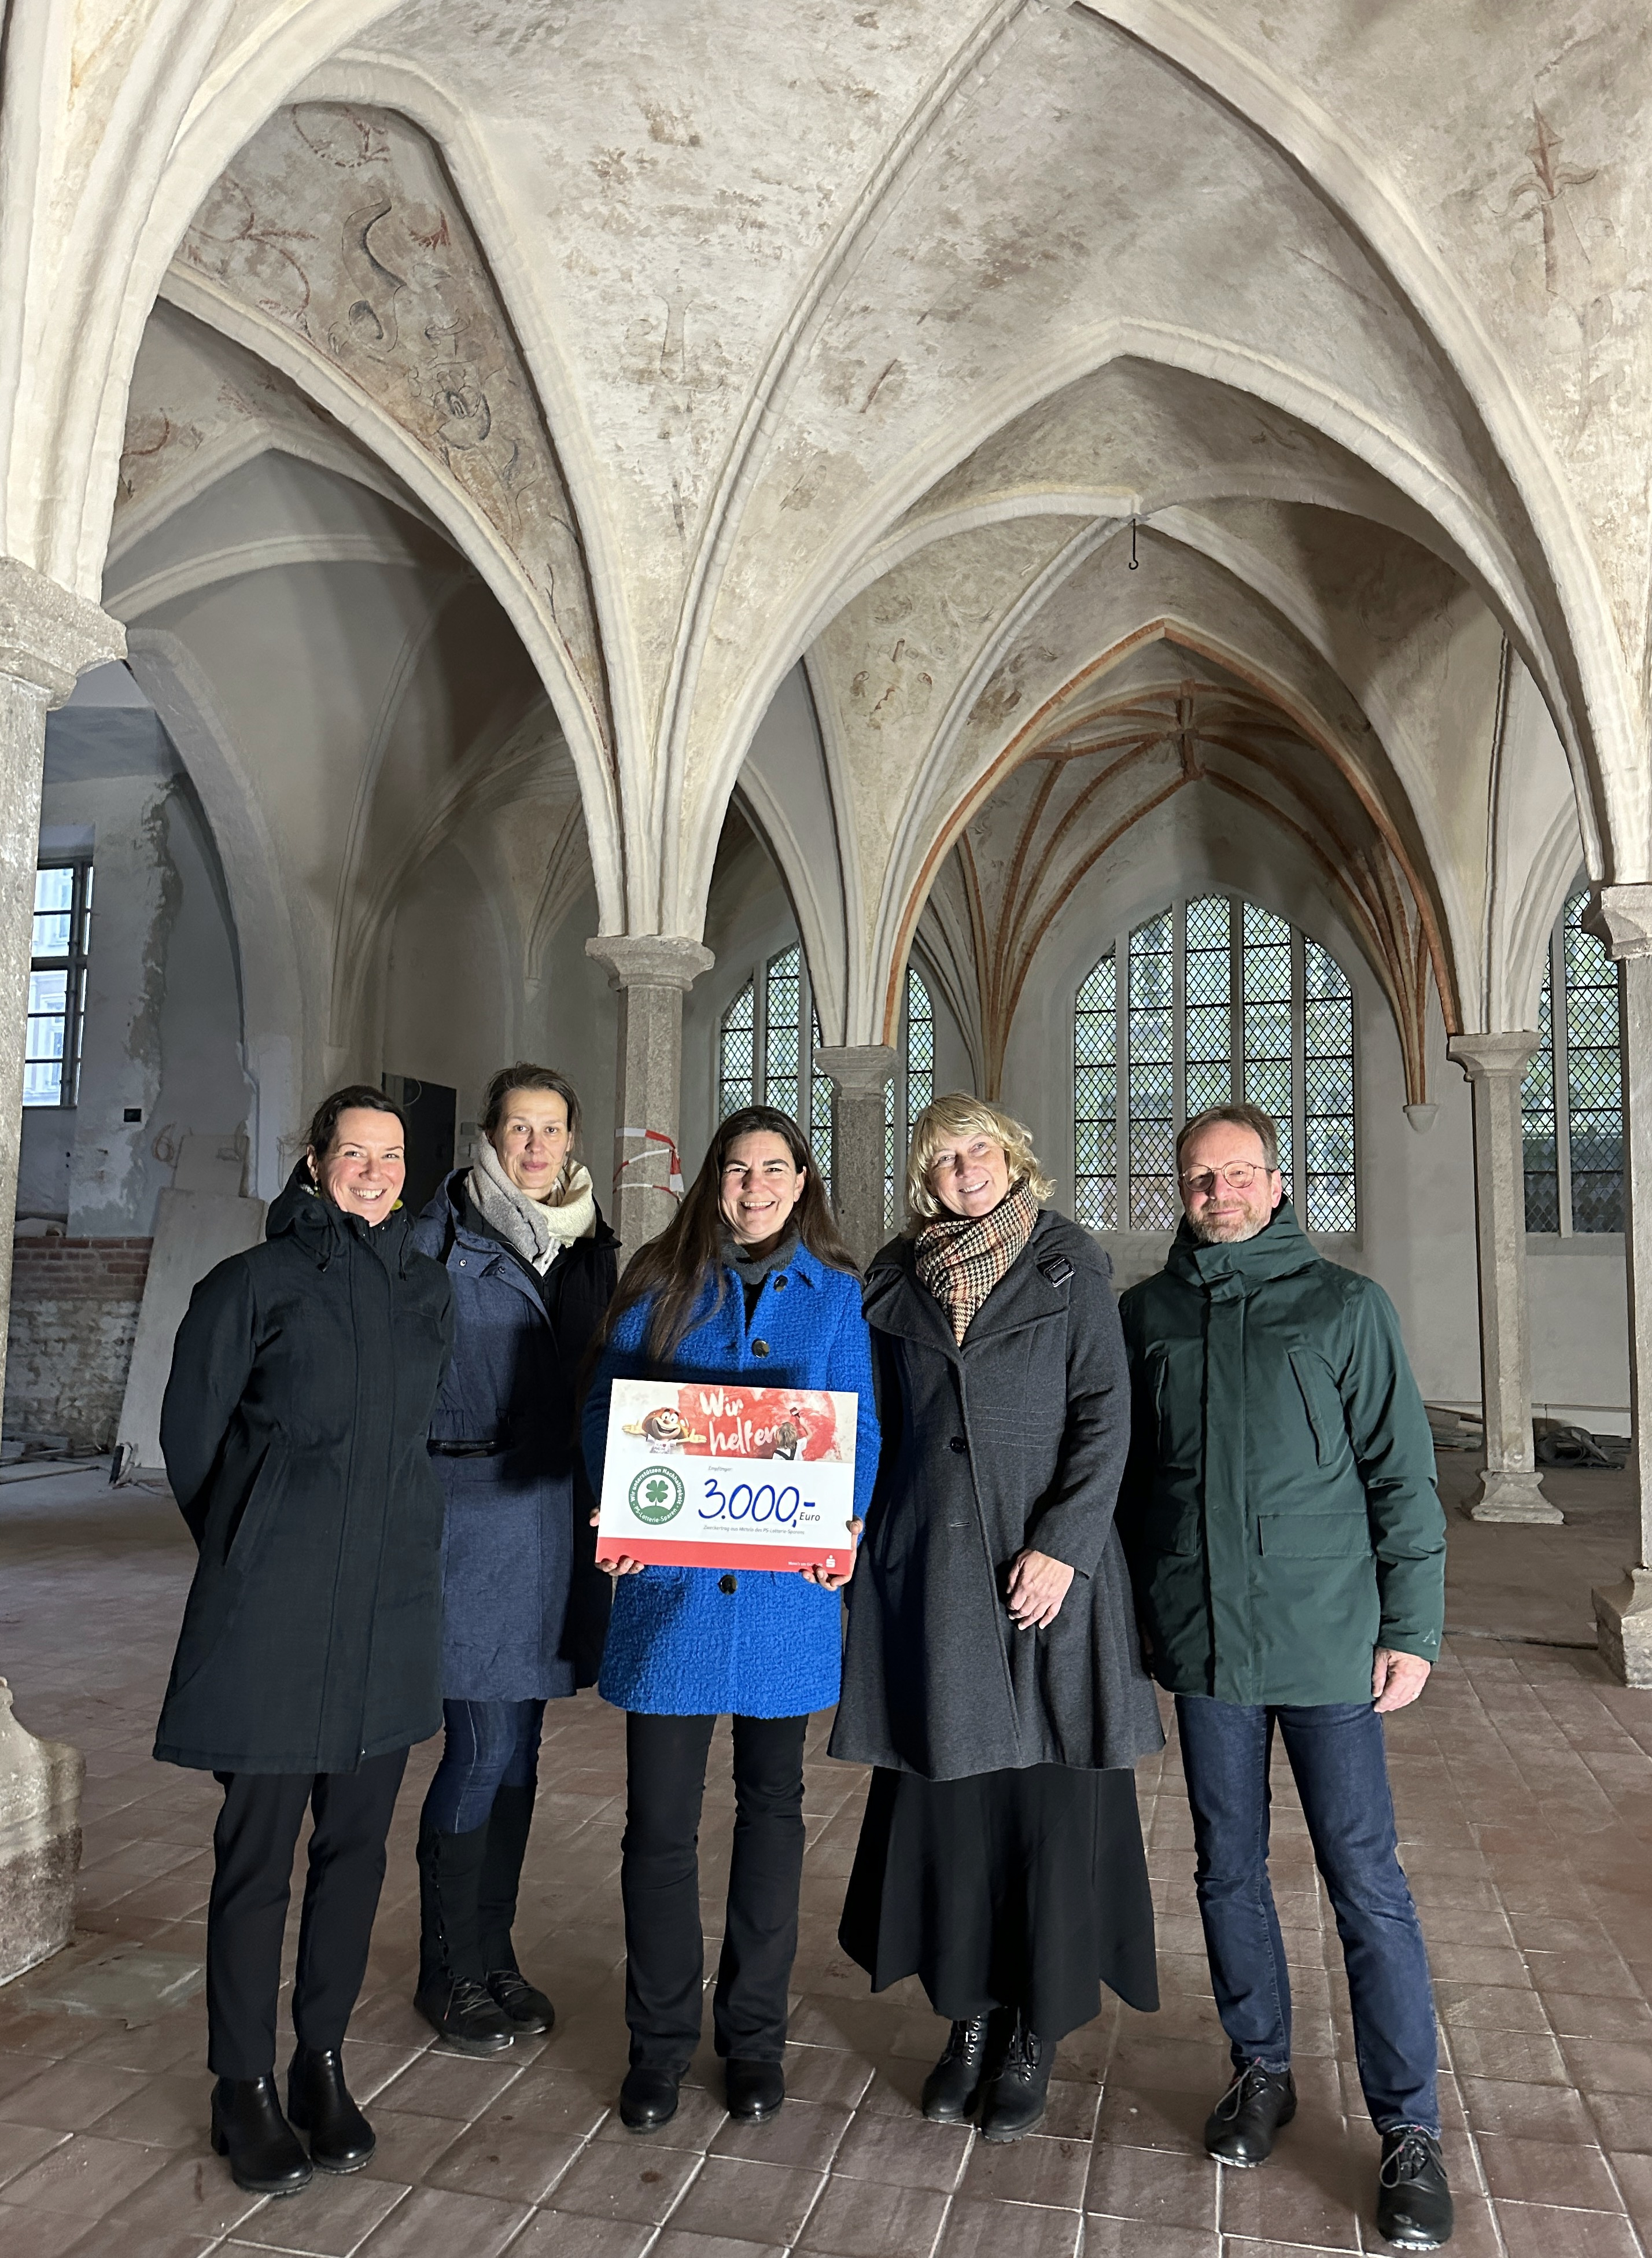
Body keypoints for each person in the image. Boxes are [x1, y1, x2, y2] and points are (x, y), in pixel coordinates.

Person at [1116, 1102, 1452, 2252]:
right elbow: (1132, 1484)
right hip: (1205, 1640)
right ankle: (1261, 2067)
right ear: (1182, 1191)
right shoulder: (1148, 1313)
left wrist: (1413, 1622)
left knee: (1365, 1876)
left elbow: (1401, 1474)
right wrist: (1140, 1612)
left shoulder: (1348, 1306)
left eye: (1239, 1175)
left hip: (1324, 1640)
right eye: (1200, 1180)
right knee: (1225, 1867)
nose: (1220, 1195)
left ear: (1277, 1180)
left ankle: (1410, 2127)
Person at [832, 1094, 1164, 2142]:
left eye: (979, 1151)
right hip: (929, 1574)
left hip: (1048, 1579)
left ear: (1014, 1158)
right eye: (942, 1159)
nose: (962, 1170)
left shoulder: (1072, 1263)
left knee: (1047, 1807)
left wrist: (1063, 1545)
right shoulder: (893, 1274)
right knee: (949, 1808)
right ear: (924, 1177)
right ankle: (965, 2015)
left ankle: (1034, 2028)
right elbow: (865, 1415)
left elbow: (1106, 1415)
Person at [154, 1086, 453, 2198]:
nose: (374, 1171)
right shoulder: (252, 1285)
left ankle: (320, 2061)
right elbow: (192, 1443)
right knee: (257, 1857)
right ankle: (243, 2083)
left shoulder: (426, 1291)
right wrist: (256, 1533)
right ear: (316, 1161)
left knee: (355, 1853)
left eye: (391, 1156)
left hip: (388, 1610)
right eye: (354, 1152)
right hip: (276, 1610)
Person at [581, 1105, 878, 2135]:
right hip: (669, 1595)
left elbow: (860, 1421)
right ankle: (658, 2044)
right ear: (713, 1182)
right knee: (659, 1831)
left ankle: (752, 2039)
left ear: (803, 1183)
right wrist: (612, 1499)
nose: (755, 1186)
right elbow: (603, 1410)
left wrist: (846, 1521)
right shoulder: (660, 1285)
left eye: (774, 1169)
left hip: (785, 1600)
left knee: (773, 1818)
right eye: (737, 1169)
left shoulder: (838, 1297)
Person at [408, 1063, 618, 2051]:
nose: (536, 1147)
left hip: (557, 1524)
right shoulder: (435, 1242)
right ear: (489, 1139)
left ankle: (494, 1959)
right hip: (473, 1518)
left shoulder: (592, 1250)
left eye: (552, 1129)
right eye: (518, 1130)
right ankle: (443, 1970)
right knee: (484, 1747)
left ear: (574, 1141)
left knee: (523, 1755)